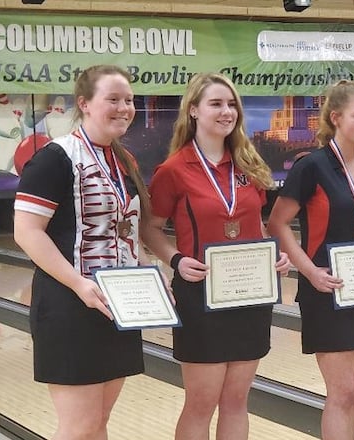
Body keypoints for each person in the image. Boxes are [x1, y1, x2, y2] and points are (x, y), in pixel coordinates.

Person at [140, 72, 290, 440]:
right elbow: (149, 229)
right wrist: (176, 261)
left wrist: (277, 256)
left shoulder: (249, 163)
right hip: (200, 295)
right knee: (201, 402)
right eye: (216, 104)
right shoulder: (173, 170)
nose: (227, 112)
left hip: (251, 294)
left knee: (237, 400)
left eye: (231, 104)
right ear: (193, 111)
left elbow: (261, 224)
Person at [13, 64, 149, 439]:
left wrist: (149, 276)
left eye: (129, 100)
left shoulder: (124, 161)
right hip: (69, 306)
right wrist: (79, 283)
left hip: (116, 305)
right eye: (113, 99)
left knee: (98, 424)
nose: (124, 107)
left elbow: (128, 231)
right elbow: (26, 232)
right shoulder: (55, 158)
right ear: (85, 104)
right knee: (79, 428)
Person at [267, 80, 354, 440]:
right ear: (336, 118)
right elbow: (277, 223)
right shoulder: (311, 167)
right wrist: (309, 271)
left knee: (353, 393)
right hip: (325, 291)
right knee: (341, 392)